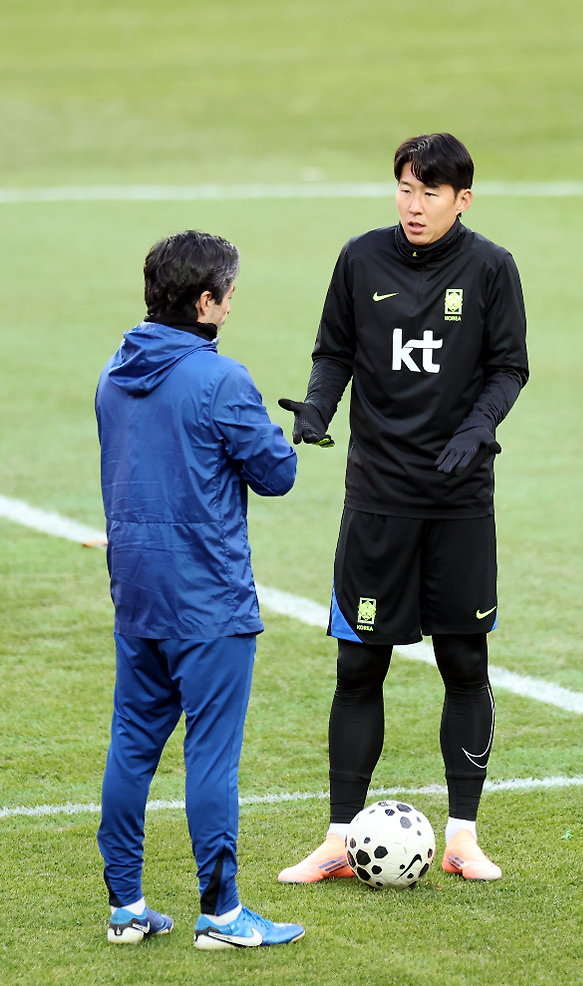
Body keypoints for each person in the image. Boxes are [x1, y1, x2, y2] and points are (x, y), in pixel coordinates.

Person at [278, 133, 528, 883]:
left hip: (457, 498)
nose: (413, 206)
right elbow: (334, 352)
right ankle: (337, 838)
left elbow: (508, 367)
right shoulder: (360, 258)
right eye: (404, 189)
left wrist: (480, 426)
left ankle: (462, 837)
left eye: (429, 193)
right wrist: (319, 407)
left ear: (462, 200)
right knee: (358, 665)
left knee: (463, 659)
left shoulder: (491, 269)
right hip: (378, 499)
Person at [96, 229, 304, 949]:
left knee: (131, 748)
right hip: (209, 603)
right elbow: (275, 474)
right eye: (229, 296)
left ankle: (126, 906)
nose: (231, 308)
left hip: (137, 596)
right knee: (211, 759)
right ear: (206, 301)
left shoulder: (111, 375)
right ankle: (221, 914)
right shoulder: (219, 380)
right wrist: (284, 434)